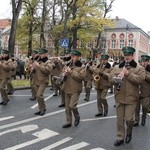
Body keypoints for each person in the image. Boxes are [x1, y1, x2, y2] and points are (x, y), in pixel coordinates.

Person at [109, 46, 145, 146]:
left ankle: (129, 132)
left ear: (132, 56)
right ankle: (120, 137)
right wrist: (117, 78)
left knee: (129, 119)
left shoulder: (139, 68)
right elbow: (110, 79)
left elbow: (140, 80)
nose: (127, 57)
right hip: (119, 97)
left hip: (131, 98)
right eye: (125, 55)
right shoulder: (117, 67)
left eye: (129, 55)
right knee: (120, 120)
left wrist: (128, 74)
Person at [62, 50, 85, 128]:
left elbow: (81, 77)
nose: (72, 58)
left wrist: (71, 72)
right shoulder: (67, 64)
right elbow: (62, 74)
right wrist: (64, 74)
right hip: (67, 87)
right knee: (67, 107)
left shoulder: (81, 66)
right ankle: (68, 122)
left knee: (72, 106)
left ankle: (77, 116)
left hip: (75, 89)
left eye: (74, 56)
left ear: (78, 57)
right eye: (71, 56)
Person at [32, 48, 52, 116]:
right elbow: (34, 71)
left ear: (45, 54)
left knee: (39, 95)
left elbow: (47, 71)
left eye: (42, 54)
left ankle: (43, 109)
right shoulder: (39, 61)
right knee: (38, 96)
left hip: (43, 81)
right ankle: (40, 109)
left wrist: (39, 66)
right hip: (37, 80)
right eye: (40, 54)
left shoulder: (48, 62)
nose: (40, 55)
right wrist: (33, 68)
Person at [134, 55, 150, 126]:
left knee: (145, 107)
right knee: (136, 107)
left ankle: (144, 118)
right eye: (143, 61)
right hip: (137, 91)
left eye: (145, 61)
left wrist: (144, 74)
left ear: (148, 62)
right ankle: (136, 120)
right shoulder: (138, 69)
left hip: (146, 92)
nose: (144, 63)